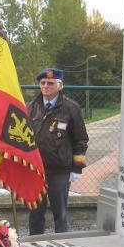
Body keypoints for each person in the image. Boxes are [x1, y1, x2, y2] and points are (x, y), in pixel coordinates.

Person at [27, 68, 88, 235]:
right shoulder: (31, 108)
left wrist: (76, 169)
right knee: (35, 213)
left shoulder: (71, 108)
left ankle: (62, 245)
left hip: (59, 171)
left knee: (59, 214)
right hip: (36, 170)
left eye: (50, 83)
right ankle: (36, 246)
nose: (46, 86)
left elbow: (81, 140)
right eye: (43, 83)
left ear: (60, 86)